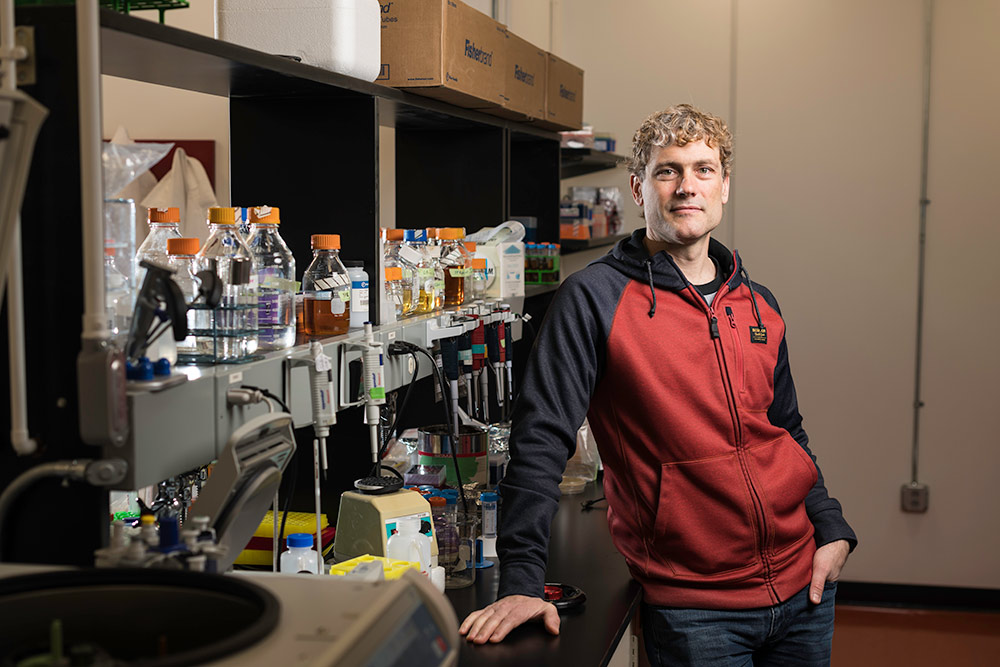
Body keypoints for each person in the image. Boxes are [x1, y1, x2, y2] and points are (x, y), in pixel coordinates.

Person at [459, 103, 857, 665]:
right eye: (667, 170)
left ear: (724, 187)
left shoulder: (758, 302)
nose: (686, 187)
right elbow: (540, 438)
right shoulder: (594, 299)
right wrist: (522, 580)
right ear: (639, 189)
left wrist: (831, 527)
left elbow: (785, 431)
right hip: (697, 608)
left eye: (703, 169)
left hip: (805, 591)